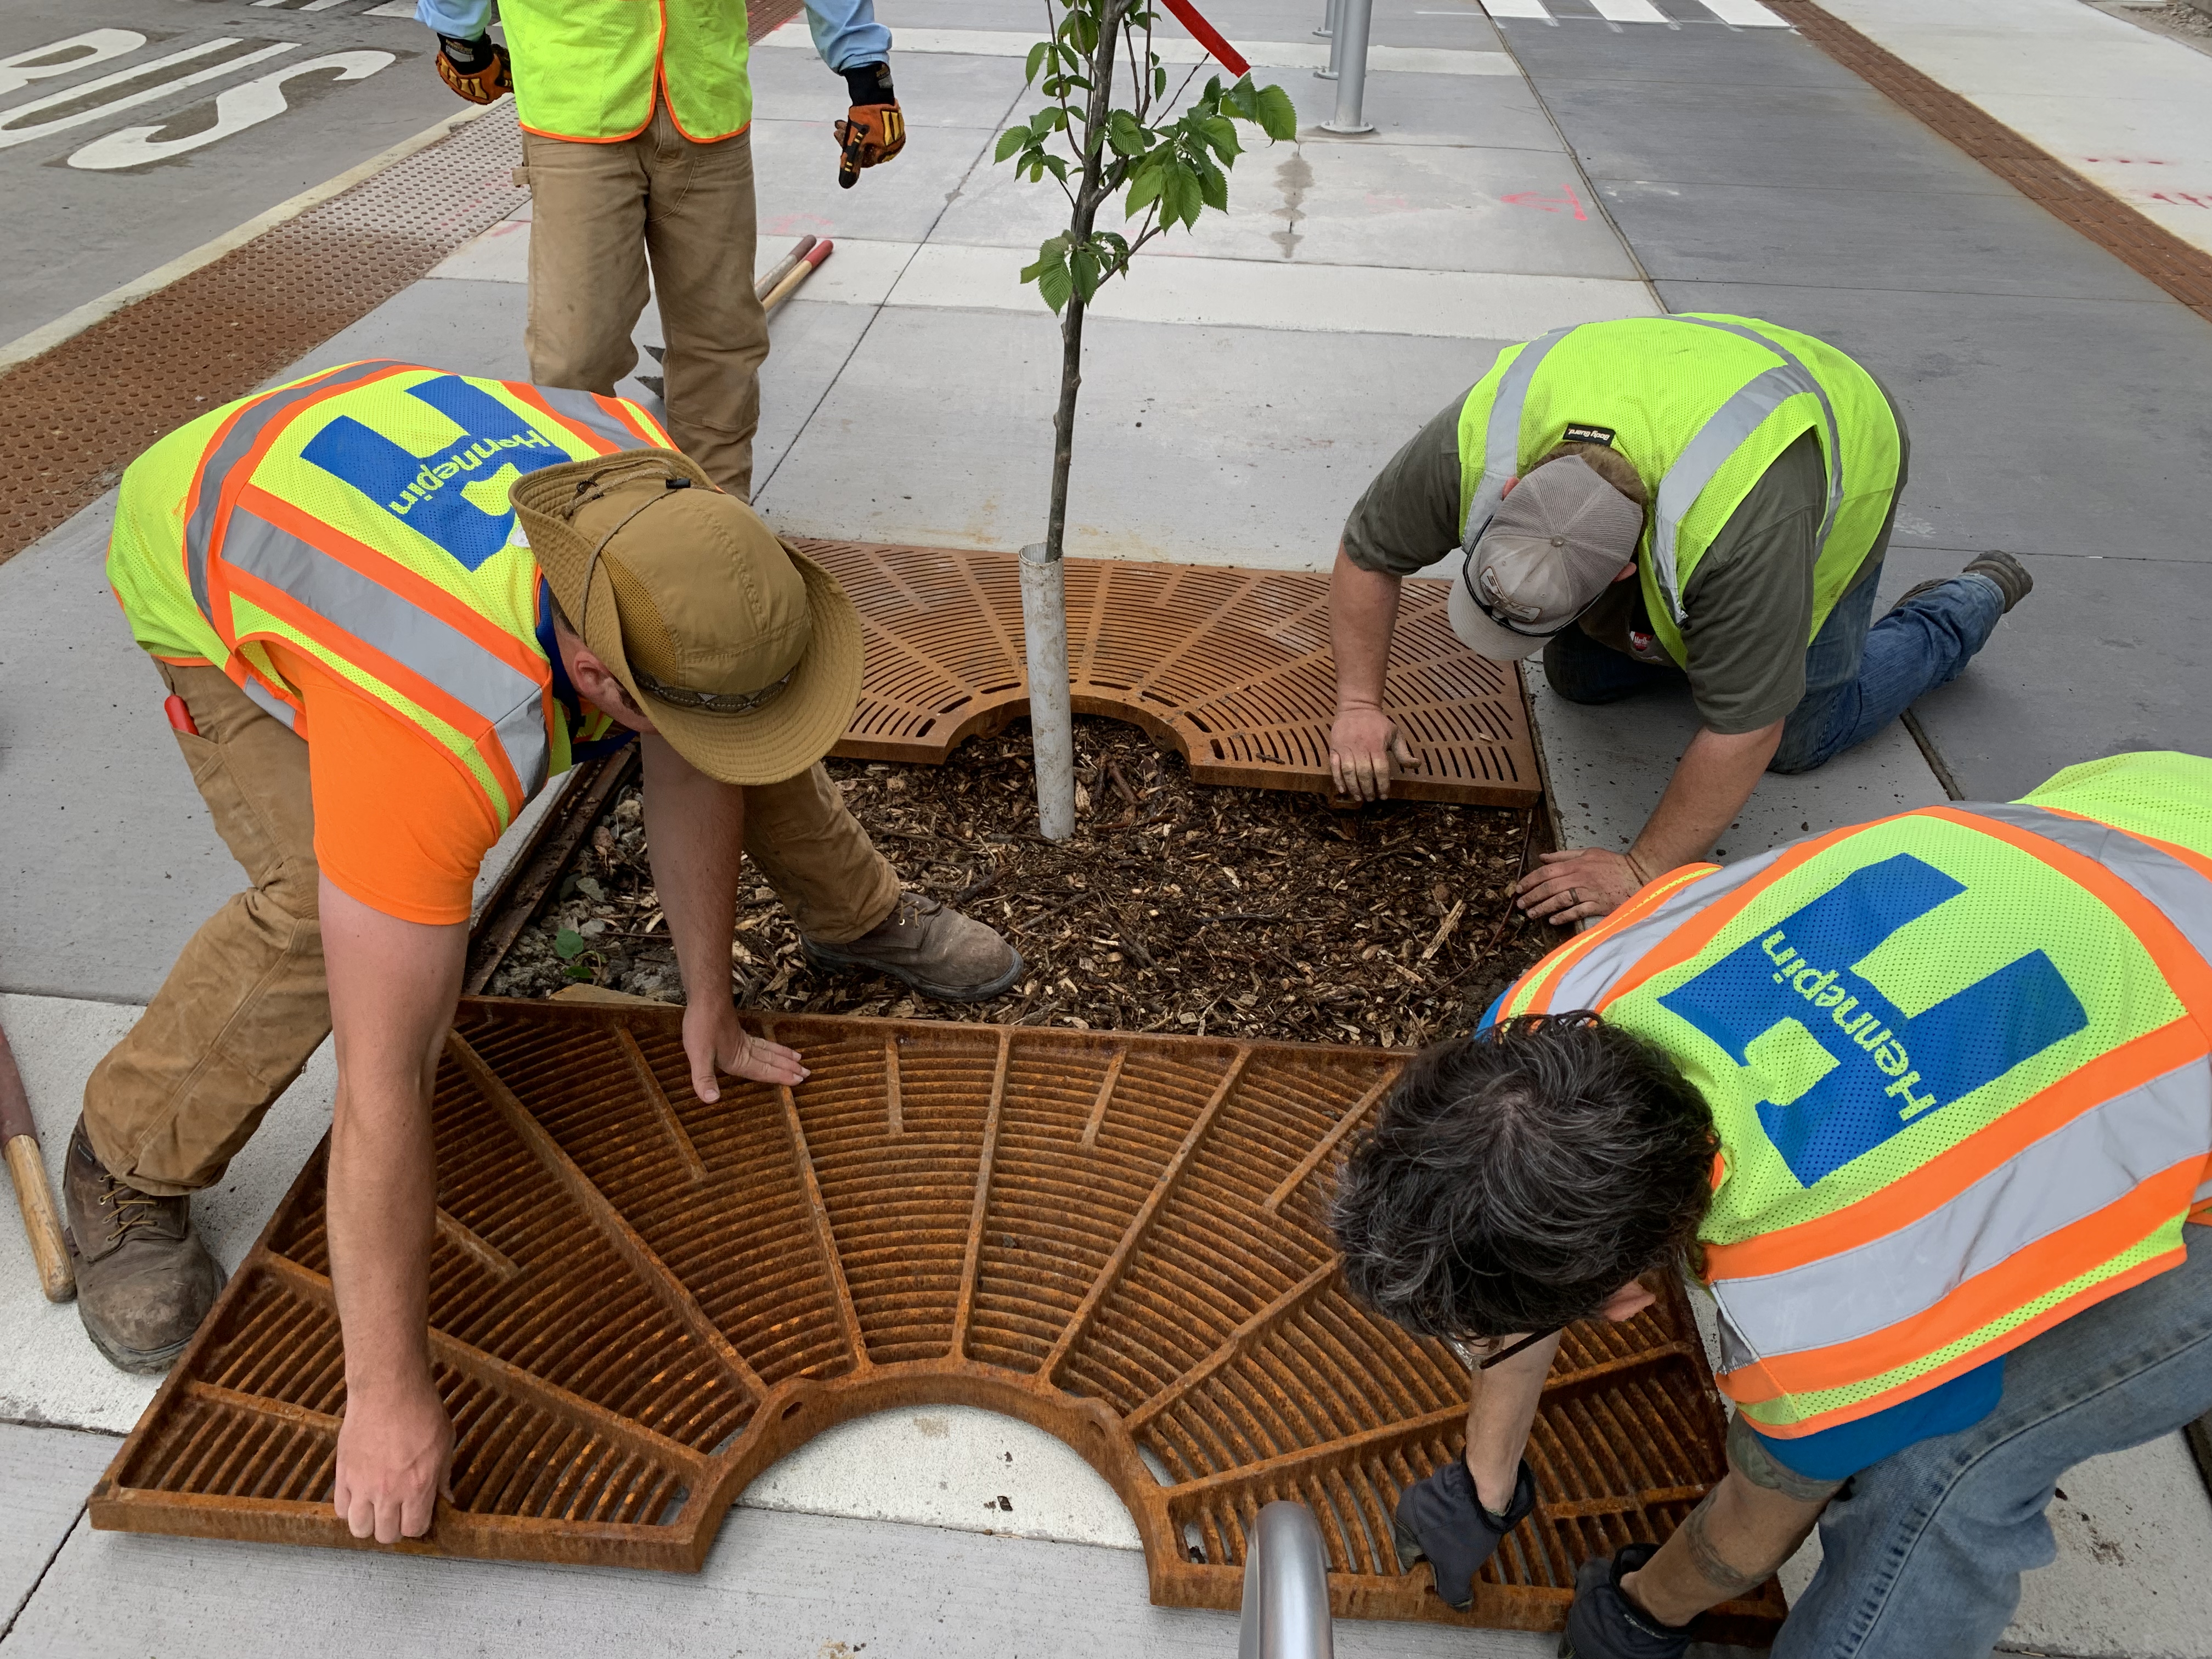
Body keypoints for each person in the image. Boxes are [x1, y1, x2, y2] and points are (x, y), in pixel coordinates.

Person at [78, 362, 1018, 1544]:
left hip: (367, 455)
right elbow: (385, 1087)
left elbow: (696, 755)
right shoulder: (430, 721)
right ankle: (126, 1158)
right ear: (586, 672)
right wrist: (386, 1395)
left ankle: (852, 911)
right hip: (205, 538)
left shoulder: (662, 510)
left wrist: (709, 997)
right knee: (320, 912)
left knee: (733, 697)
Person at [1329, 749, 2212, 1658]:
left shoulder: (1841, 1307)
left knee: (1942, 1474)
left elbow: (1754, 1523)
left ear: (1631, 1294)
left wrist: (1641, 1609)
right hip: (2148, 818)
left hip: (2159, 934)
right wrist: (1485, 1472)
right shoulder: (1560, 1012)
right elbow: (1519, 1205)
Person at [1325, 314, 2033, 930]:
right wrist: (1358, 704)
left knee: (1799, 736)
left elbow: (1749, 728)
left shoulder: (1743, 534)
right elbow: (1368, 553)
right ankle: (1705, 647)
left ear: (1623, 573)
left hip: (1829, 435)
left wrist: (1641, 869)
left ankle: (1960, 608)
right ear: (1509, 493)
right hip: (1668, 376)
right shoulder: (1477, 445)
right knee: (1579, 680)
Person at [417, 0, 904, 494]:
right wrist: (460, 38)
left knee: (720, 345)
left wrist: (868, 74)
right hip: (576, 112)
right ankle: (587, 530)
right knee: (574, 358)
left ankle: (718, 524)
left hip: (706, 101)